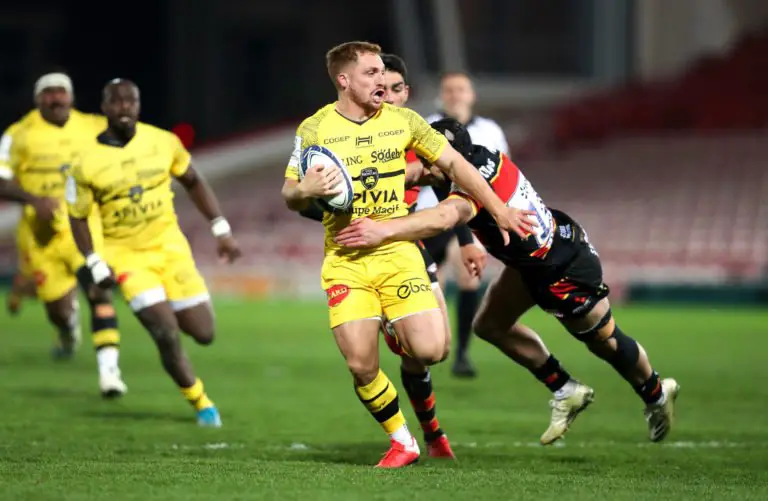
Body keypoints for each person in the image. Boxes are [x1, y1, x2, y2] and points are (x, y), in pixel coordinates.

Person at [335, 118, 681, 445]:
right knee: (489, 325)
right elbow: (417, 174)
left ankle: (656, 393)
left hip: (562, 268)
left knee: (605, 342)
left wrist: (383, 230)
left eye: (430, 160)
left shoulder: (467, 189)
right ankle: (566, 389)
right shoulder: (475, 157)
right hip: (531, 259)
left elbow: (444, 217)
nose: (424, 168)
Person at [281, 41, 533, 468]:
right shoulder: (315, 128)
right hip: (345, 259)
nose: (381, 80)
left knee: (432, 351)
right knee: (360, 364)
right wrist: (305, 189)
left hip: (398, 252)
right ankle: (403, 441)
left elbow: (457, 166)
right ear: (344, 80)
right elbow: (290, 193)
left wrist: (499, 209)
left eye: (383, 72)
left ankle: (396, 327)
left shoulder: (405, 121)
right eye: (371, 73)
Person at [297, 53, 462, 460]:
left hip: (411, 244)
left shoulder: (412, 132)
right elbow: (306, 199)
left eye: (394, 88)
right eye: (379, 86)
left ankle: (430, 430)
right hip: (359, 251)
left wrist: (469, 240)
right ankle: (423, 437)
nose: (386, 94)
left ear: (405, 92)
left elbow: (451, 185)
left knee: (433, 352)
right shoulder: (347, 136)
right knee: (371, 361)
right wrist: (330, 204)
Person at [66, 79, 240, 426]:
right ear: (104, 107)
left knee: (204, 333)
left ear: (139, 105)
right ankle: (201, 402)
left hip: (171, 249)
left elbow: (193, 180)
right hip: (126, 256)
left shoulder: (163, 142)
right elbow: (77, 216)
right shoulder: (85, 161)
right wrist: (94, 261)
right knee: (165, 331)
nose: (124, 107)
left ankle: (173, 320)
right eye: (116, 101)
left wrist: (221, 229)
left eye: (131, 101)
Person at [0, 72, 126, 397]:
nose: (55, 98)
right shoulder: (18, 134)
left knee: (98, 289)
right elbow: (1, 181)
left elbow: (123, 155)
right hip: (40, 234)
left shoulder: (93, 126)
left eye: (61, 92)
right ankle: (68, 328)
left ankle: (109, 373)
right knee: (56, 310)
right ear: (37, 99)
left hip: (82, 226)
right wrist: (34, 199)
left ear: (71, 96)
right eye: (49, 93)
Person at [420, 71, 509, 378]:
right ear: (441, 95)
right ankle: (432, 349)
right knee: (432, 285)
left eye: (461, 89)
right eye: (449, 90)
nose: (455, 95)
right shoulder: (426, 125)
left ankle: (461, 354)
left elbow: (502, 171)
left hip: (471, 215)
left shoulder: (490, 130)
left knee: (468, 278)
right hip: (432, 213)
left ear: (472, 95)